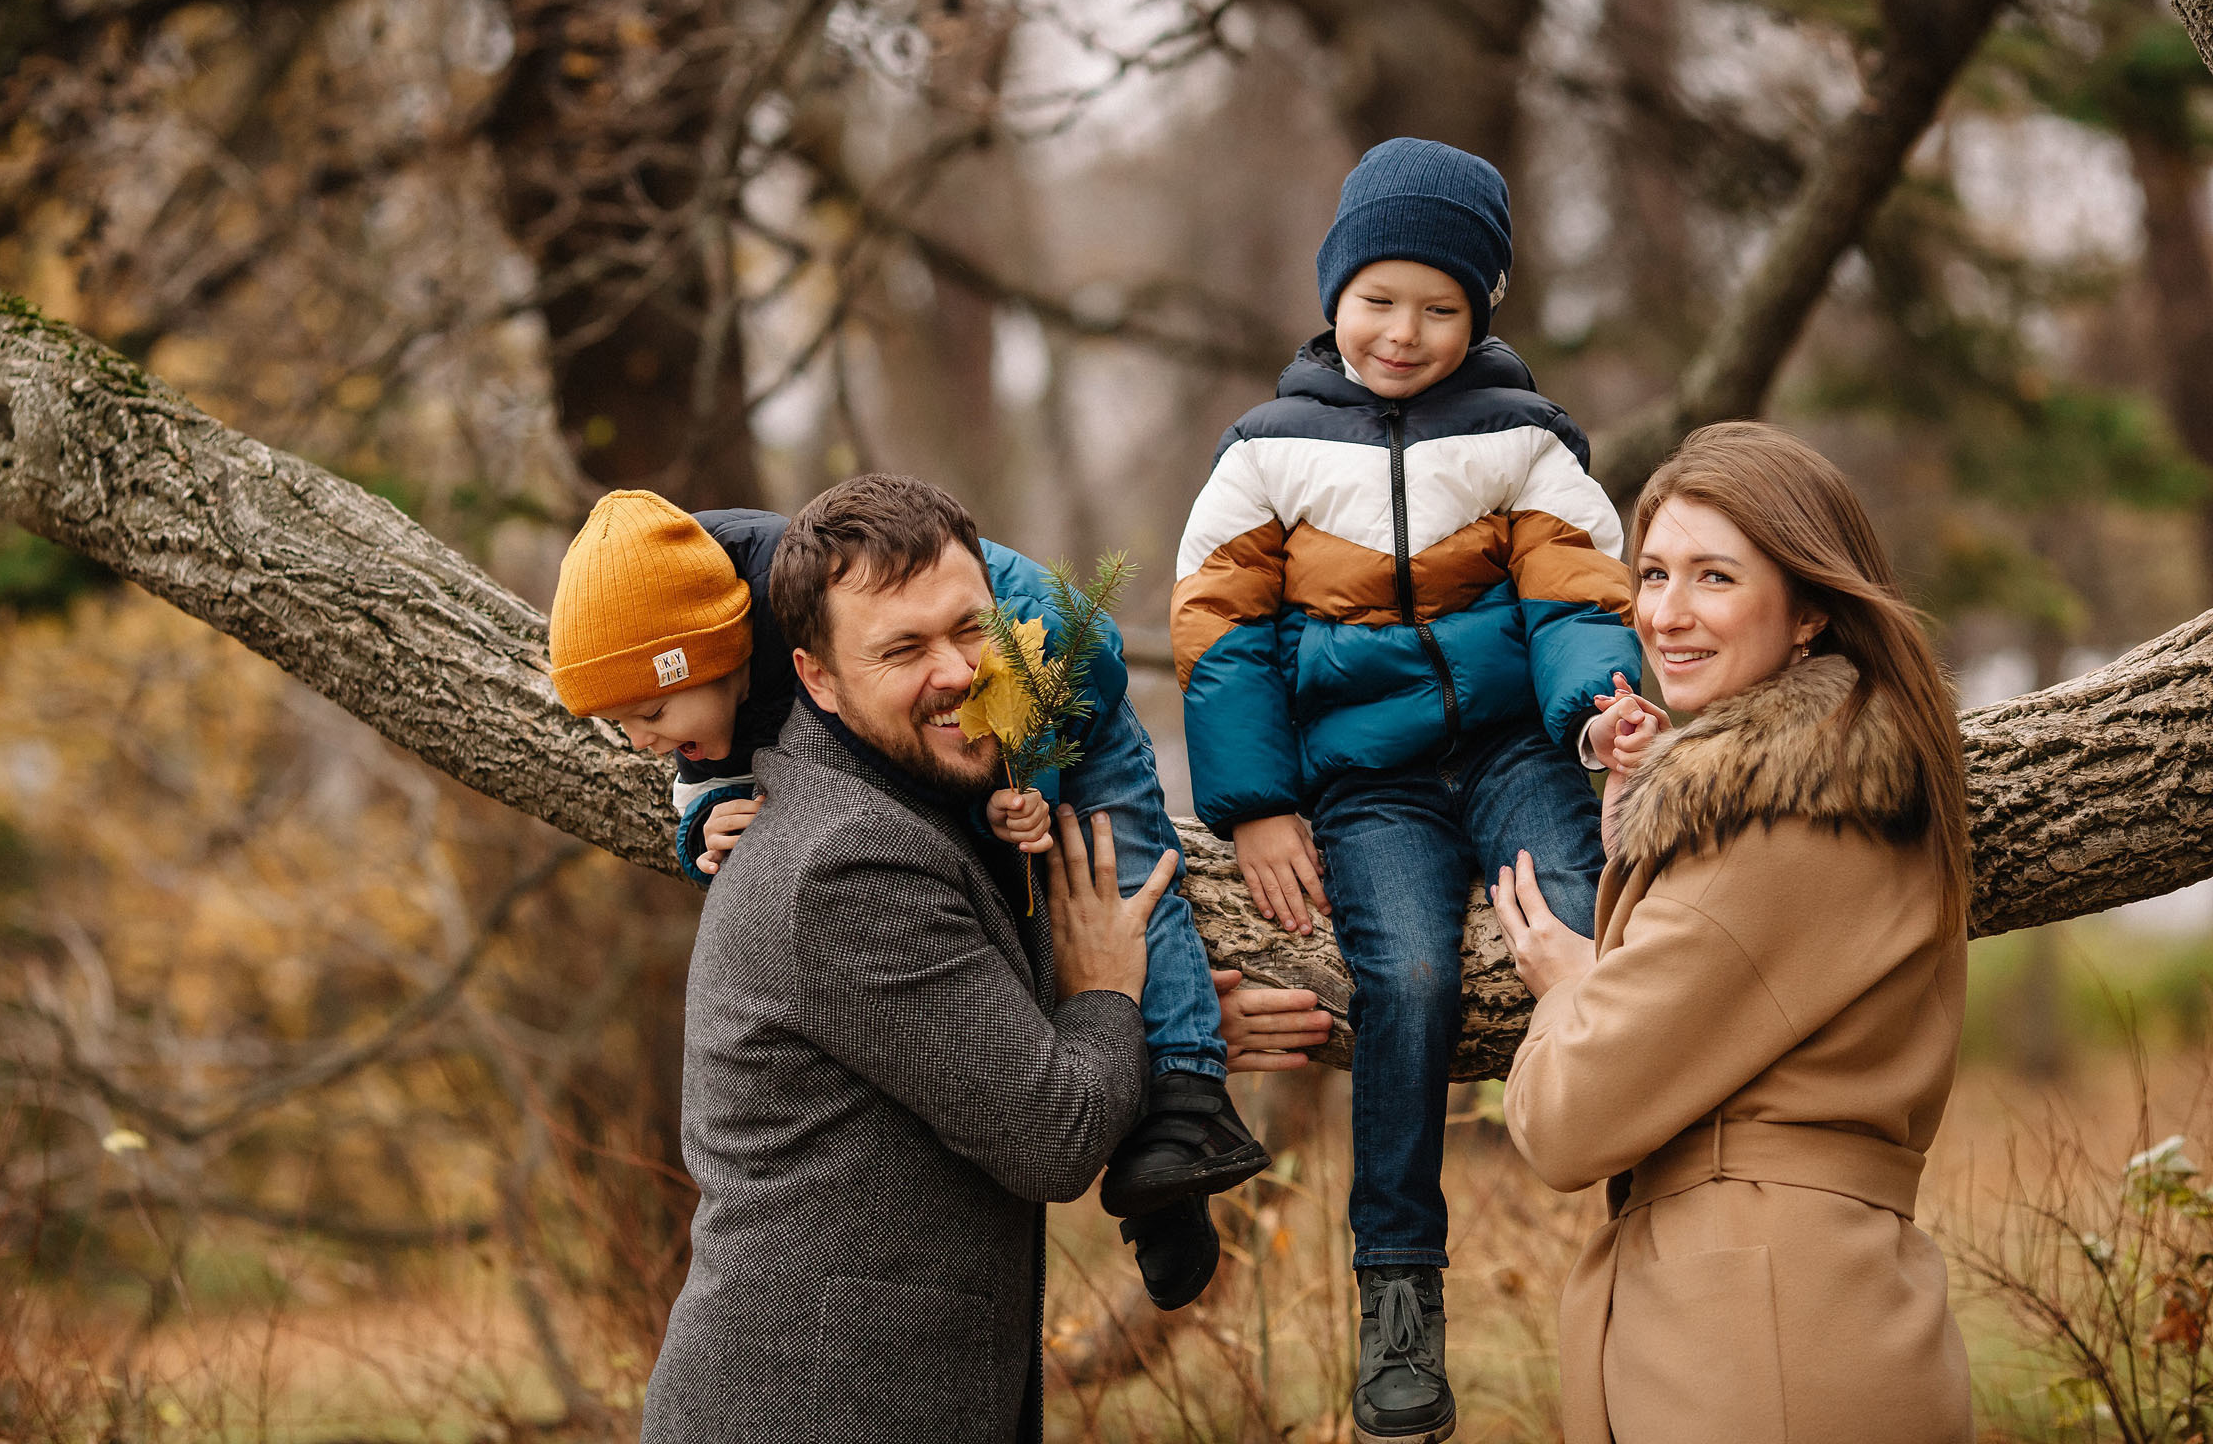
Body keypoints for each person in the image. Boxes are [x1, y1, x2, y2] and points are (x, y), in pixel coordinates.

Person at [1171, 136, 1641, 1443]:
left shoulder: (1522, 441)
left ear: (1481, 313)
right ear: (1334, 295)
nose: (1404, 331)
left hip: (1513, 756)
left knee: (1580, 923)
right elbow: (1220, 635)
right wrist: (1260, 804)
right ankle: (1398, 1294)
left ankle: (1645, 1204)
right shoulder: (1265, 453)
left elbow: (1579, 595)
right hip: (1368, 784)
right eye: (1379, 299)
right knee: (1412, 980)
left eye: (1441, 307)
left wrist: (1601, 713)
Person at [545, 481, 1264, 1307]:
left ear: (718, 659)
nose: (641, 741)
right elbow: (703, 784)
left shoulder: (817, 611)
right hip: (951, 726)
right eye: (623, 725)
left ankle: (1185, 1102)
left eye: (651, 711)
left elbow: (959, 737)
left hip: (1048, 677)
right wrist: (702, 821)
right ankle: (1155, 1141)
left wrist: (1012, 791)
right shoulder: (713, 679)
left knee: (1115, 869)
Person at [637, 479, 1177, 1444]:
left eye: (971, 630)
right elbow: (1052, 1130)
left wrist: (1156, 1011)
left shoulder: (895, 809)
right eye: (900, 649)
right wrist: (1107, 1002)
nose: (960, 673)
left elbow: (956, 1024)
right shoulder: (847, 859)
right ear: (815, 679)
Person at [1491, 421, 1975, 1444]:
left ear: (1806, 610)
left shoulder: (1784, 818)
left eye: (1715, 577)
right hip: (1796, 1309)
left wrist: (1574, 984)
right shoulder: (1832, 779)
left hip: (1763, 1342)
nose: (1666, 614)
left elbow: (1567, 1120)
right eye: (1653, 573)